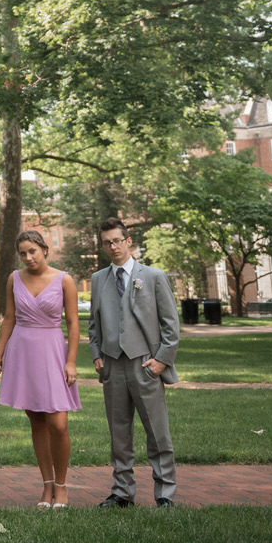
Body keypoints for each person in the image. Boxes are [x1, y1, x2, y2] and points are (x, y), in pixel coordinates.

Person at [88, 217, 180, 508]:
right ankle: (122, 491)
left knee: (157, 430)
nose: (113, 246)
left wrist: (161, 361)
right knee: (118, 431)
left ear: (128, 241)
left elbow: (171, 325)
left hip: (145, 363)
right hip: (112, 365)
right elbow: (94, 325)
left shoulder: (152, 276)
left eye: (117, 240)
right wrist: (97, 355)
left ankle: (165, 493)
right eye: (107, 243)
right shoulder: (98, 279)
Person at [0, 229, 81, 508]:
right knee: (37, 421)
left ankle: (62, 486)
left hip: (52, 352)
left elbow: (74, 323)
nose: (28, 257)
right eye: (23, 253)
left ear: (45, 250)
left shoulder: (65, 280)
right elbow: (9, 318)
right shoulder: (13, 278)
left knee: (59, 424)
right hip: (23, 352)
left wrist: (71, 360)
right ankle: (47, 485)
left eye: (33, 251)